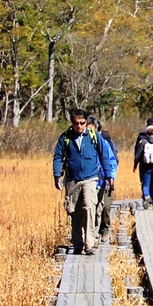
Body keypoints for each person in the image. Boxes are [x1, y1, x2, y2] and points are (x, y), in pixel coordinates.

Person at [53, 108, 114, 255]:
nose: (79, 126)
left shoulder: (93, 136)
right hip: (73, 179)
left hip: (90, 177)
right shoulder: (65, 137)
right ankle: (78, 244)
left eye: (82, 123)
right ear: (72, 123)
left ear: (86, 122)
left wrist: (108, 175)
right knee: (74, 211)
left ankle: (89, 244)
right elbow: (57, 156)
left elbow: (103, 155)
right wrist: (57, 175)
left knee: (89, 207)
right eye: (76, 123)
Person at [86, 115, 119, 244]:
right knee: (90, 208)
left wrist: (110, 176)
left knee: (104, 207)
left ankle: (103, 230)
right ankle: (90, 236)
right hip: (88, 180)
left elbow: (112, 161)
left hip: (103, 180)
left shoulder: (105, 143)